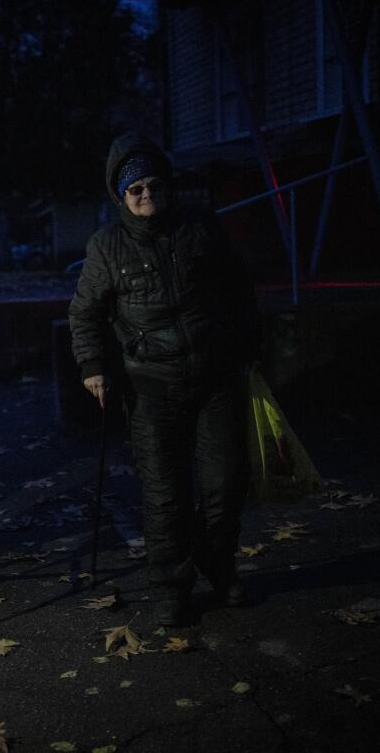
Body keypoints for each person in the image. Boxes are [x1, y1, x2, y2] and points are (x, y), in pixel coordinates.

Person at [68, 133, 262, 626]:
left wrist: (247, 347)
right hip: (151, 385)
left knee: (226, 484)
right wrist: (93, 367)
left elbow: (239, 288)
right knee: (165, 493)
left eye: (155, 185)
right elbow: (85, 313)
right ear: (121, 196)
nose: (147, 196)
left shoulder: (200, 228)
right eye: (136, 190)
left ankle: (218, 566)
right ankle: (170, 586)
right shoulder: (107, 246)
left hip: (215, 377)